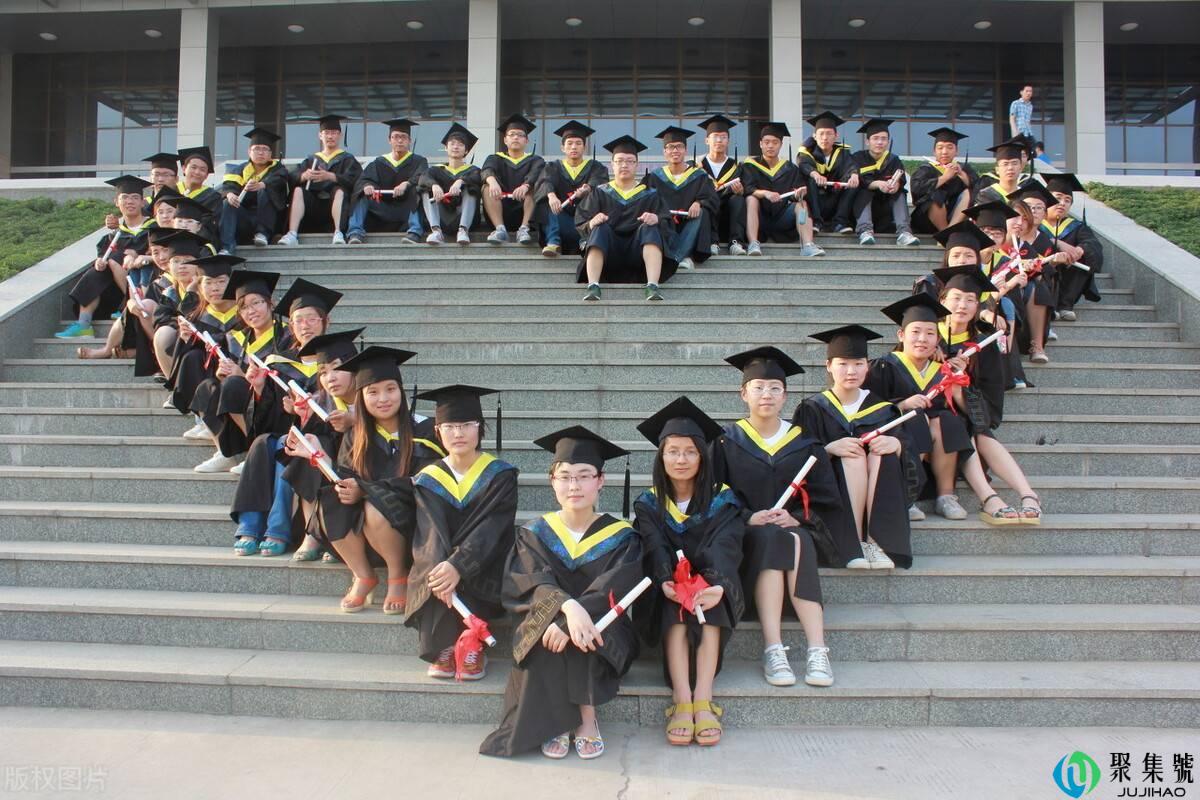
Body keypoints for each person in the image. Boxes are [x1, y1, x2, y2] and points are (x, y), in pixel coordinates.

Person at [480, 427, 643, 760]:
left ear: (601, 481)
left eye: (584, 476)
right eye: (565, 476)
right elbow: (529, 582)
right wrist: (566, 608)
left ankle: (585, 716)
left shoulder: (621, 536)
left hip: (603, 625)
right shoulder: (534, 533)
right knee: (547, 632)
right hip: (547, 620)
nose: (574, 486)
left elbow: (617, 585)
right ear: (552, 481)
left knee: (584, 632)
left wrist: (574, 621)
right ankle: (560, 719)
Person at [710, 347, 847, 689]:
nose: (766, 394)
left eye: (775, 388)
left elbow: (826, 497)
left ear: (785, 396)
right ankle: (774, 648)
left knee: (792, 537)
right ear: (744, 394)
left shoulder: (806, 443)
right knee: (774, 537)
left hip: (794, 531)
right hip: (745, 534)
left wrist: (797, 517)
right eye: (758, 387)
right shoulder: (726, 442)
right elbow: (713, 496)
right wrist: (748, 516)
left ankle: (817, 649)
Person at [634, 397, 743, 747]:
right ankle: (682, 698)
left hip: (712, 578)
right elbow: (653, 545)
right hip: (667, 582)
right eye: (673, 452)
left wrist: (715, 582)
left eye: (690, 452)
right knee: (674, 607)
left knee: (710, 603)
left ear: (702, 456)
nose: (681, 460)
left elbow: (726, 544)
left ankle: (703, 698)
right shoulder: (649, 503)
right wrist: (665, 579)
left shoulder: (722, 499)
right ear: (661, 457)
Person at [309, 346, 445, 613]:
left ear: (401, 392)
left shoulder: (426, 430)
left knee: (374, 505)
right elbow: (346, 477)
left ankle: (398, 576)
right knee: (330, 498)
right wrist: (325, 463)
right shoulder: (356, 435)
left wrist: (366, 490)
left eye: (390, 389)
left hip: (413, 524)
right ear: (361, 397)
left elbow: (428, 480)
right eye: (373, 392)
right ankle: (363, 574)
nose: (383, 399)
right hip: (367, 532)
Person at [402, 386, 518, 681]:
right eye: (450, 426)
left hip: (484, 559)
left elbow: (493, 528)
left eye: (467, 425)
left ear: (480, 428)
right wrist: (444, 567)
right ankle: (444, 646)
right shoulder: (429, 478)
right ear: (437, 431)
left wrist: (459, 565)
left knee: (482, 565)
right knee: (431, 567)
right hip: (440, 560)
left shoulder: (500, 475)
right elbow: (429, 531)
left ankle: (472, 642)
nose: (458, 433)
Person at [227, 280, 343, 555]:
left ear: (325, 322)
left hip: (329, 437)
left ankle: (278, 530)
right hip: (290, 433)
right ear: (290, 325)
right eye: (298, 320)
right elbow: (265, 423)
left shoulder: (341, 361)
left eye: (312, 319)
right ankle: (250, 525)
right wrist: (259, 389)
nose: (305, 326)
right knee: (264, 443)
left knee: (287, 447)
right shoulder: (278, 363)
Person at [797, 326, 917, 571]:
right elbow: (799, 454)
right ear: (829, 366)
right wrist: (829, 449)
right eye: (842, 364)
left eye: (858, 364)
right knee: (852, 457)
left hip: (877, 488)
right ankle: (851, 543)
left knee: (883, 454)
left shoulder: (883, 409)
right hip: (834, 490)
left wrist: (896, 444)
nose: (851, 371)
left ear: (867, 366)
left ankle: (876, 543)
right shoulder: (813, 408)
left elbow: (909, 457)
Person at [934, 266, 1043, 525]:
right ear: (942, 300)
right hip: (933, 423)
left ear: (977, 306)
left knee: (975, 428)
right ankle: (991, 497)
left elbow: (991, 403)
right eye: (956, 298)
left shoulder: (984, 345)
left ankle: (1026, 495)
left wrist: (960, 386)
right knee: (962, 427)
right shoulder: (925, 337)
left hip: (970, 415)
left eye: (970, 300)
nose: (962, 305)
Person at [868, 293, 975, 522]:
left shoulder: (943, 371)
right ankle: (907, 497)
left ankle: (945, 496)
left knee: (947, 420)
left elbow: (976, 415)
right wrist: (901, 404)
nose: (922, 339)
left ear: (938, 339)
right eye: (915, 332)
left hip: (934, 450)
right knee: (916, 417)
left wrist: (957, 380)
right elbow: (866, 409)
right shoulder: (883, 367)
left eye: (930, 333)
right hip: (895, 441)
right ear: (901, 335)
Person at [187, 269, 286, 473]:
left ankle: (255, 452)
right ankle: (226, 454)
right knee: (208, 387)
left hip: (276, 407)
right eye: (244, 307)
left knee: (234, 385)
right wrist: (223, 374)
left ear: (271, 304)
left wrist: (242, 377)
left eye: (256, 303)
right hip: (245, 403)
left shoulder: (287, 337)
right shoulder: (236, 338)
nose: (251, 311)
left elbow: (285, 382)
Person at [281, 327, 363, 562]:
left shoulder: (374, 396)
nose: (331, 378)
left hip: (362, 472)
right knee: (309, 450)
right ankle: (313, 534)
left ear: (354, 366)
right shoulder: (320, 402)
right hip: (329, 469)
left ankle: (338, 536)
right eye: (323, 372)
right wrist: (303, 420)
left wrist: (355, 421)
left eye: (337, 368)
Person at [574, 135, 674, 302]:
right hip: (609, 254)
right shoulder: (600, 192)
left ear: (637, 165)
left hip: (638, 255)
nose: (624, 165)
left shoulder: (650, 194)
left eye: (629, 161)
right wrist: (591, 222)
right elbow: (580, 222)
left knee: (650, 227)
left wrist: (656, 218)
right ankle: (593, 286)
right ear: (612, 164)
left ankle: (652, 285)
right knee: (599, 228)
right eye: (619, 161)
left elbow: (667, 222)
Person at [55, 175, 153, 339]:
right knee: (97, 270)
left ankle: (129, 303)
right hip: (115, 291)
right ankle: (84, 324)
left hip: (144, 282)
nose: (129, 202)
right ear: (116, 202)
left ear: (143, 202)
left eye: (135, 197)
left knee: (115, 259)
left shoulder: (153, 228)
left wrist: (137, 256)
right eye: (124, 197)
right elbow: (105, 254)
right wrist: (100, 262)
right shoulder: (115, 234)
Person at [165, 254, 245, 440]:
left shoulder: (245, 314)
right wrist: (185, 339)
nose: (215, 288)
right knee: (191, 356)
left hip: (238, 375)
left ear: (232, 283)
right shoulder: (197, 317)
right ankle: (203, 419)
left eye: (221, 281)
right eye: (208, 282)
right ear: (200, 287)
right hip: (208, 376)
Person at [642, 125, 718, 271]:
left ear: (685, 150)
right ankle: (682, 257)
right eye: (670, 147)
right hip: (664, 225)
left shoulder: (699, 176)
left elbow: (712, 199)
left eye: (679, 146)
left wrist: (699, 202)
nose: (675, 150)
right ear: (664, 151)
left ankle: (676, 257)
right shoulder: (654, 177)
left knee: (702, 213)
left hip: (689, 224)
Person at [741, 121, 823, 257]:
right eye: (766, 142)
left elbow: (795, 192)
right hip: (759, 218)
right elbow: (747, 188)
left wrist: (799, 194)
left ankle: (808, 245)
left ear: (781, 144)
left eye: (775, 142)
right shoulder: (749, 166)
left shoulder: (790, 168)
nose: (770, 146)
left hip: (782, 218)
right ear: (760, 144)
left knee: (802, 203)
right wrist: (765, 193)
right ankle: (753, 244)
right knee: (751, 198)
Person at [279, 114, 362, 245]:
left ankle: (338, 232)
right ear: (320, 135)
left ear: (340, 135)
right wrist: (304, 176)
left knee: (339, 190)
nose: (330, 136)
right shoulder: (311, 159)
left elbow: (356, 181)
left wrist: (331, 176)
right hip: (313, 207)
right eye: (326, 133)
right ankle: (292, 233)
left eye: (334, 133)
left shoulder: (348, 159)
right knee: (298, 190)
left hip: (338, 207)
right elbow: (293, 176)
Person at [346, 118, 428, 245]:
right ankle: (355, 232)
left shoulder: (419, 161)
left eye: (403, 137)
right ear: (389, 140)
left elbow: (423, 177)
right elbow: (364, 180)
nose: (400, 140)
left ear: (409, 141)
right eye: (396, 137)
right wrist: (368, 186)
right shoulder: (379, 162)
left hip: (407, 210)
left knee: (418, 189)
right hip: (383, 209)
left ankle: (415, 231)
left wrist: (407, 183)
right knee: (361, 193)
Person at [534, 120, 609, 257]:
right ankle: (553, 242)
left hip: (586, 223)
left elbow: (600, 182)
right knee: (545, 202)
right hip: (561, 221)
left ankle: (586, 242)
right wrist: (551, 196)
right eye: (569, 143)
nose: (574, 147)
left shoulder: (595, 167)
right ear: (562, 148)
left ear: (584, 147)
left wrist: (588, 188)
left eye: (578, 143)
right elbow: (545, 181)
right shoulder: (553, 166)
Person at [1042, 173, 1103, 320]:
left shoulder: (1077, 227)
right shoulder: (1035, 224)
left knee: (1084, 257)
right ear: (1046, 199)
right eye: (1058, 197)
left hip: (1068, 275)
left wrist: (1080, 250)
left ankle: (1065, 305)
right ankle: (1048, 305)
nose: (1062, 203)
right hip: (1043, 272)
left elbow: (1093, 244)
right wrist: (1056, 242)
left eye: (1067, 200)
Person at [219, 127, 290, 253]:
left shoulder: (278, 169)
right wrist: (230, 194)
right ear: (249, 152)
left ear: (270, 154)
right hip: (245, 218)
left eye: (265, 149)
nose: (261, 153)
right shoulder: (239, 170)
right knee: (227, 202)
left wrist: (264, 184)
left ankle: (263, 233)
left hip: (270, 220)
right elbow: (229, 186)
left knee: (265, 190)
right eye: (256, 149)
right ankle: (227, 247)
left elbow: (280, 180)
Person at [851, 118, 919, 246]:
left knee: (900, 192)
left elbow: (901, 181)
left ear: (888, 141)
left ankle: (904, 232)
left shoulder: (893, 160)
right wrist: (878, 184)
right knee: (863, 191)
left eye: (883, 139)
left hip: (885, 213)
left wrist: (895, 186)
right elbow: (860, 181)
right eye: (875, 138)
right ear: (867, 141)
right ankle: (865, 231)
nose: (880, 142)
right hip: (863, 209)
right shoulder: (858, 158)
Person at [482, 113, 545, 245]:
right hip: (500, 209)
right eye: (512, 134)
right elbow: (487, 170)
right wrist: (492, 182)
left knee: (535, 187)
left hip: (525, 210)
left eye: (520, 135)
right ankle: (500, 229)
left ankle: (524, 229)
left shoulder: (535, 160)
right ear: (505, 140)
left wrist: (526, 186)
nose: (516, 137)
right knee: (487, 187)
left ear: (526, 141)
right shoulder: (495, 158)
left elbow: (537, 174)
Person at [418, 123, 482, 246]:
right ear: (446, 148)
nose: (456, 147)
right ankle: (436, 231)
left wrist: (460, 181)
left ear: (466, 150)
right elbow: (423, 179)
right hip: (442, 217)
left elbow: (477, 178)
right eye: (452, 144)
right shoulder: (436, 170)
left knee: (471, 188)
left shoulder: (473, 170)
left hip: (464, 217)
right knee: (426, 189)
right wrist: (434, 185)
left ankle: (463, 230)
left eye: (460, 144)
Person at [796, 111, 859, 235]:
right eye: (821, 134)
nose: (825, 138)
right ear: (814, 136)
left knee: (853, 184)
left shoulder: (843, 153)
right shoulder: (806, 152)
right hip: (815, 200)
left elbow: (850, 166)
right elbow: (804, 164)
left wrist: (854, 174)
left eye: (829, 134)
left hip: (835, 199)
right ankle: (816, 222)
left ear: (836, 136)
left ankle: (839, 222)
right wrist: (815, 174)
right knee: (810, 179)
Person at [694, 114, 748, 254]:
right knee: (706, 200)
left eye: (723, 137)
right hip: (707, 214)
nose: (719, 140)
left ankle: (736, 243)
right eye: (715, 137)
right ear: (707, 140)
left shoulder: (736, 167)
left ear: (728, 141)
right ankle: (711, 242)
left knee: (738, 199)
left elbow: (746, 191)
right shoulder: (696, 166)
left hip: (728, 216)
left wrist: (741, 191)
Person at [910, 127, 977, 234]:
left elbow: (979, 188)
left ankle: (949, 232)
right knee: (935, 195)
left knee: (969, 192)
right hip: (926, 221)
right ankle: (946, 233)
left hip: (955, 218)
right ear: (934, 151)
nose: (944, 152)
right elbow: (916, 189)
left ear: (956, 151)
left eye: (950, 147)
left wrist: (962, 174)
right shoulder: (926, 169)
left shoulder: (963, 169)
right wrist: (945, 177)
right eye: (940, 148)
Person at [974, 137, 1031, 203]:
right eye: (1005, 164)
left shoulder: (1027, 196)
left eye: (1014, 163)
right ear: (997, 170)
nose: (1010, 168)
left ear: (1021, 168)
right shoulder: (985, 195)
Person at [176, 146, 223, 216]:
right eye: (193, 167)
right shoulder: (172, 189)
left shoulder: (213, 197)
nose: (197, 172)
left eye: (202, 170)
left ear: (206, 175)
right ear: (184, 169)